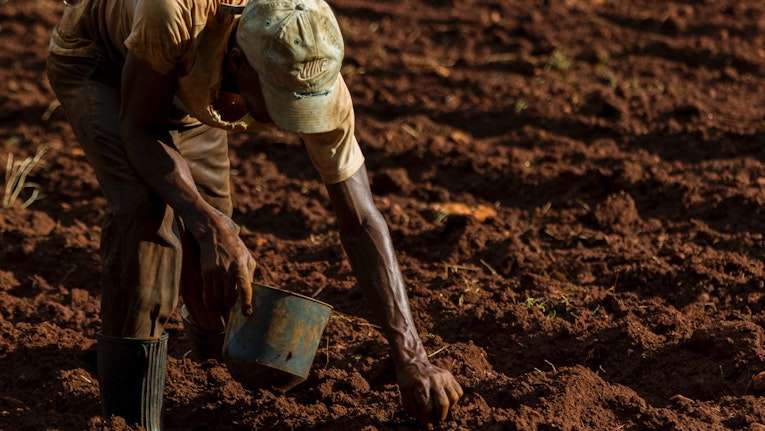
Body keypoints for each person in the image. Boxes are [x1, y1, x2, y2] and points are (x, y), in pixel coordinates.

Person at [45, 0, 463, 429]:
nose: (289, 123)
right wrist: (209, 225)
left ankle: (207, 371)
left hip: (196, 79)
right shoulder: (173, 11)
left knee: (214, 226)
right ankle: (128, 415)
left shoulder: (311, 59)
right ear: (239, 64)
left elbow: (361, 220)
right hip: (102, 61)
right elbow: (139, 128)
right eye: (278, 103)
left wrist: (411, 355)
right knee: (145, 215)